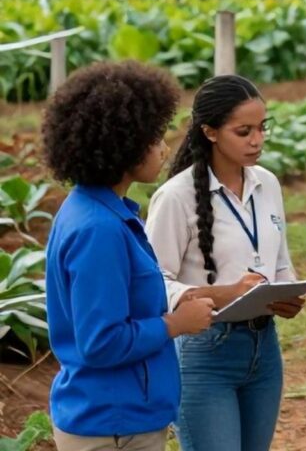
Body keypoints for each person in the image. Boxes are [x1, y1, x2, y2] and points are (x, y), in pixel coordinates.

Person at [43, 61, 215, 451]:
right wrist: (175, 323)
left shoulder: (95, 211)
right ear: (123, 143)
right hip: (112, 426)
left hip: (115, 416)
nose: (165, 147)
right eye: (155, 137)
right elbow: (101, 342)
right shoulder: (98, 230)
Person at [145, 74, 306, 451]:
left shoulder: (267, 184)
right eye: (244, 131)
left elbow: (279, 262)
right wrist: (226, 294)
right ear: (210, 132)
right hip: (205, 353)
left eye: (263, 128)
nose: (258, 140)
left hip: (264, 350)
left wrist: (288, 292)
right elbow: (154, 285)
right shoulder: (175, 197)